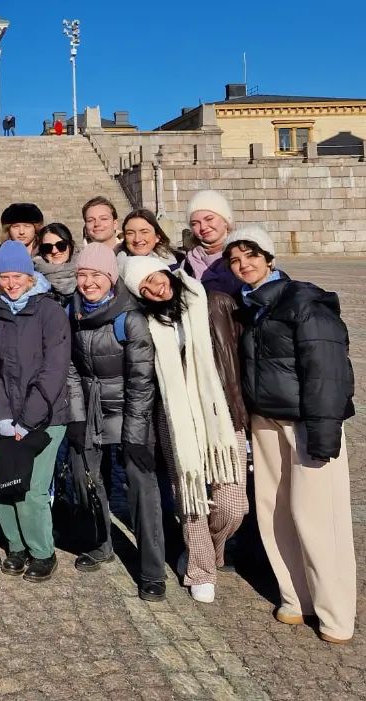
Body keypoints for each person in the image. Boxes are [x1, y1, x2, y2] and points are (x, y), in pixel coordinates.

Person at [225, 225, 356, 643]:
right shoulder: (250, 306)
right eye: (235, 260)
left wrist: (324, 432)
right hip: (265, 421)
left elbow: (328, 372)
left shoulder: (303, 301)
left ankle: (335, 615)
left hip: (304, 422)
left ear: (270, 257)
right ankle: (295, 597)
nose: (243, 265)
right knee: (275, 512)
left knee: (319, 519)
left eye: (251, 256)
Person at [119, 255, 247, 604]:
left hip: (218, 411)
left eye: (153, 278)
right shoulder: (145, 321)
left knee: (233, 506)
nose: (153, 287)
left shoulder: (207, 301)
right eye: (143, 287)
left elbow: (237, 352)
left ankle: (214, 551)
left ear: (167, 272)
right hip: (174, 415)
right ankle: (201, 568)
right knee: (190, 495)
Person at [65, 243, 164, 600]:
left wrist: (136, 434)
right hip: (90, 408)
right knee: (85, 475)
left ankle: (152, 569)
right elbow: (71, 368)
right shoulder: (72, 311)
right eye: (82, 275)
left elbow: (142, 379)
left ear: (110, 277)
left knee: (140, 485)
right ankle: (100, 541)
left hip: (128, 407)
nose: (88, 283)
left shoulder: (129, 317)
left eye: (96, 275)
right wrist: (76, 416)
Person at [0, 242, 71, 582]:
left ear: (30, 276)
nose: (10, 283)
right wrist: (3, 417)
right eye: (4, 276)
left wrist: (26, 421)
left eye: (17, 275)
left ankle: (41, 552)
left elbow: (54, 369)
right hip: (5, 415)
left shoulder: (49, 311)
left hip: (46, 416)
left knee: (32, 488)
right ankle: (16, 546)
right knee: (2, 485)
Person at [182, 191, 242, 296]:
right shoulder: (188, 263)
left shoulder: (244, 253)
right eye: (195, 223)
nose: (203, 227)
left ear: (225, 220)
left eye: (209, 219)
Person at [33, 222, 77, 306]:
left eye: (61, 245)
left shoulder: (86, 273)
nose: (54, 251)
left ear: (70, 245)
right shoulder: (32, 281)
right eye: (47, 247)